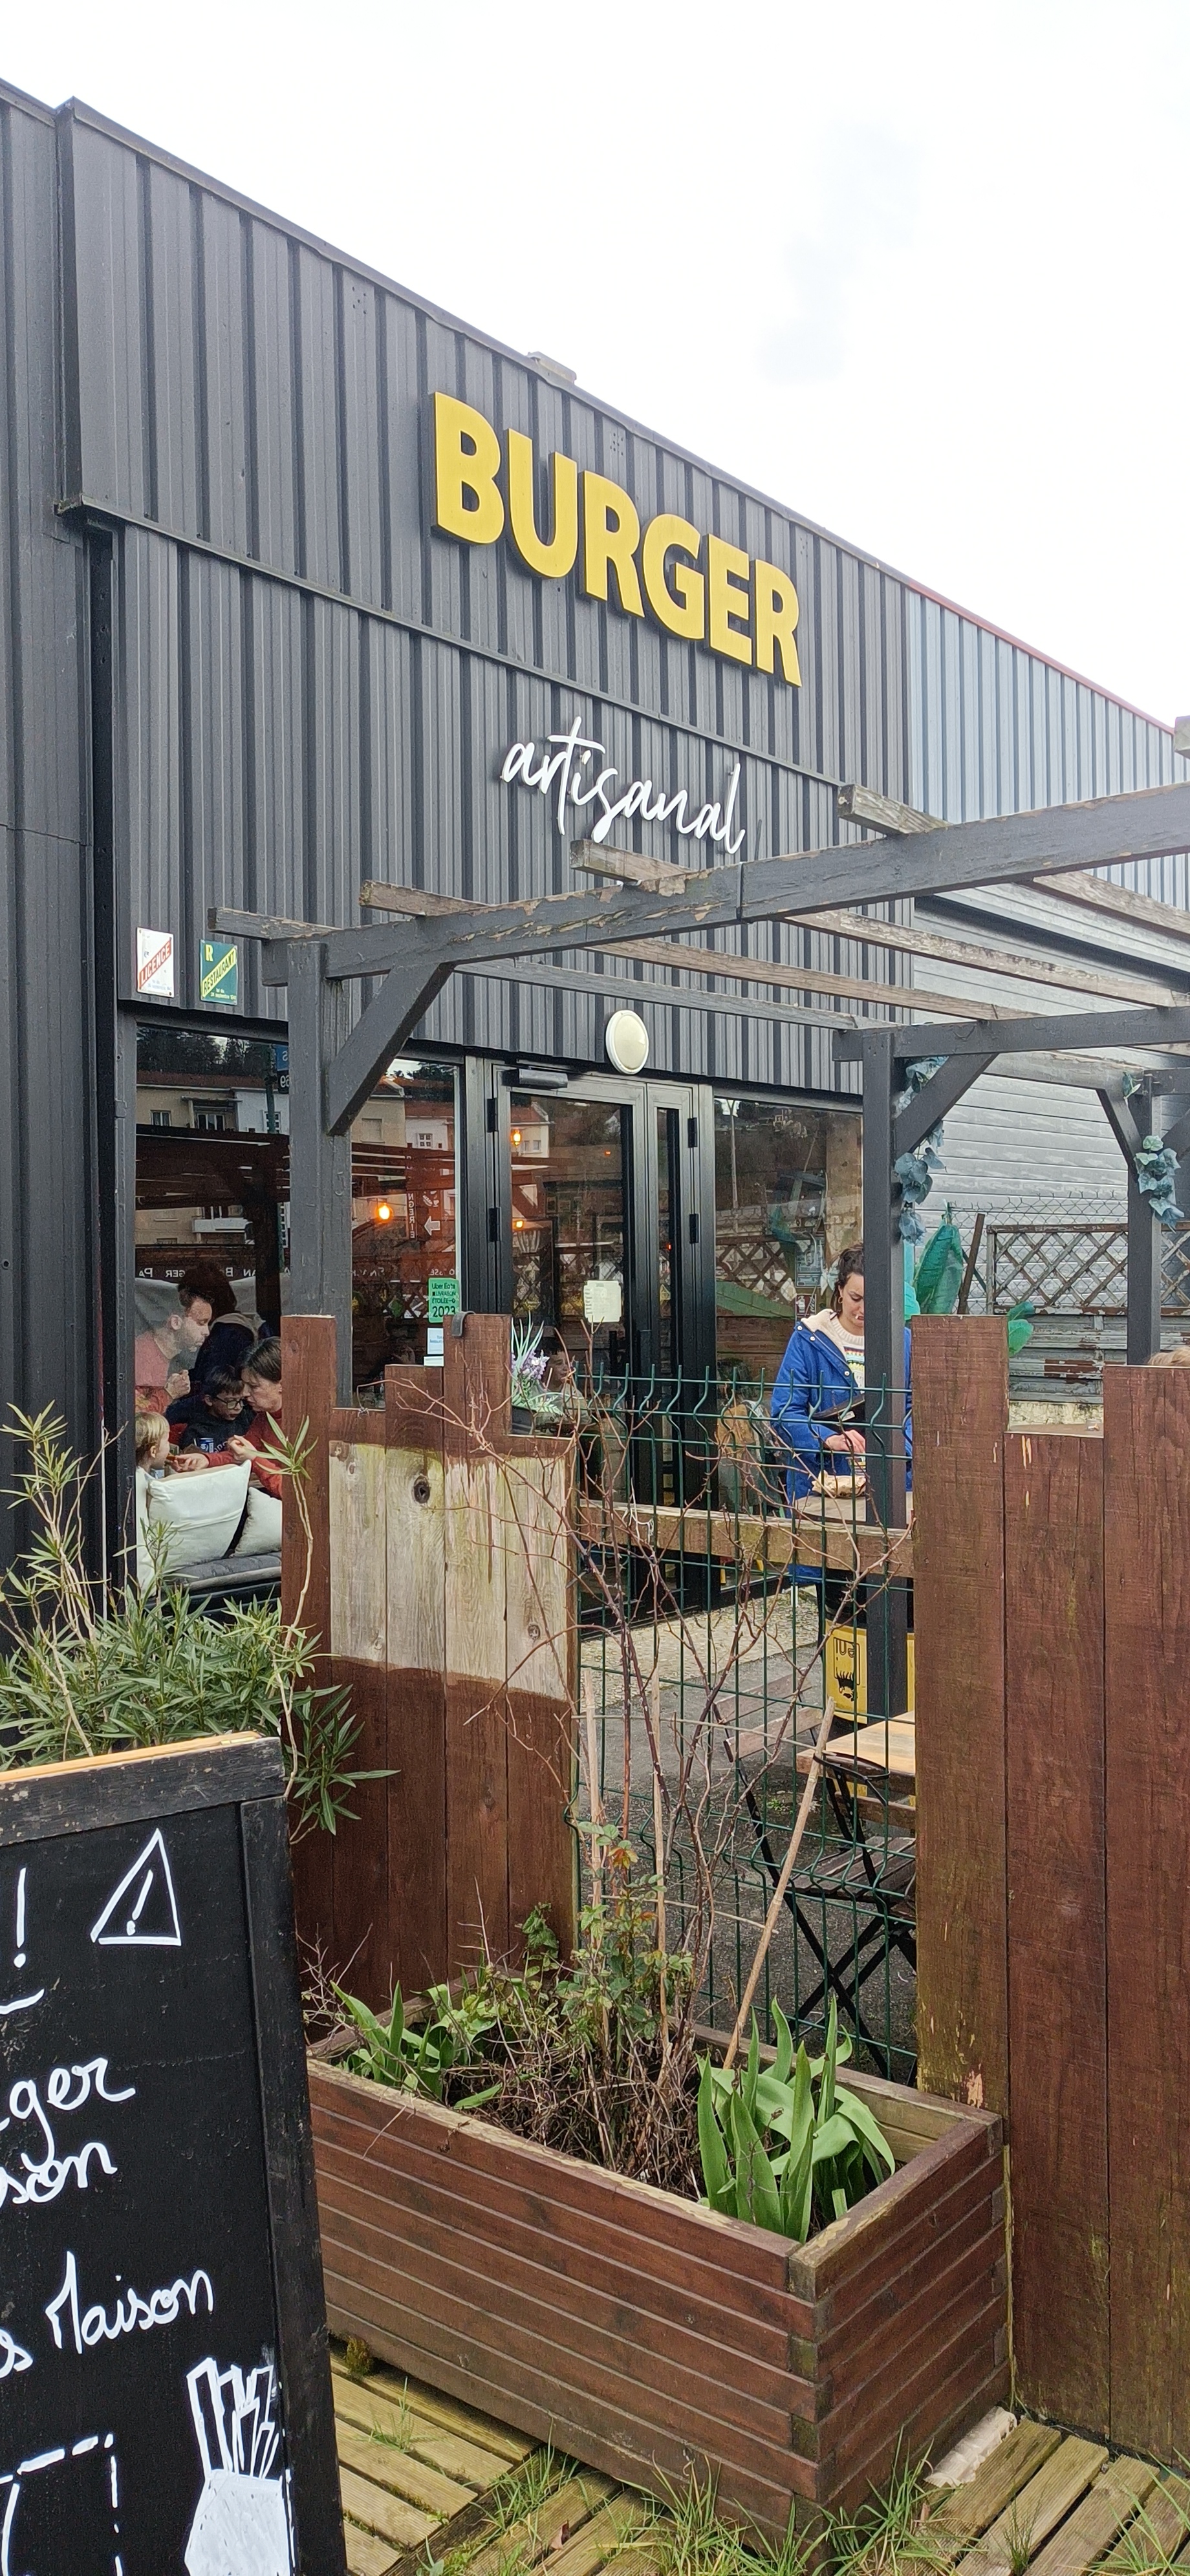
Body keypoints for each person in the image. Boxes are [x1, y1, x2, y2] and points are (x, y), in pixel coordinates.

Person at [770, 1243, 913, 1497]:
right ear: (840, 1291)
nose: (864, 1310)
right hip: (823, 1484)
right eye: (856, 1298)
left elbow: (915, 1408)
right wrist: (827, 1439)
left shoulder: (902, 1341)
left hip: (891, 1486)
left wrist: (902, 1450)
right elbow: (785, 1412)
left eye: (873, 1299)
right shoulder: (809, 1338)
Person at [175, 1338, 285, 1499]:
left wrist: (254, 1458)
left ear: (282, 1384)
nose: (245, 1393)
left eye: (254, 1386)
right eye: (245, 1385)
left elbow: (293, 1491)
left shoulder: (309, 1423)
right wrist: (206, 1460)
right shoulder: (264, 1418)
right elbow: (239, 1455)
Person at [175, 1261, 256, 1401]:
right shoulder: (234, 1329)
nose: (185, 1311)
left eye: (187, 1303)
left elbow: (212, 1384)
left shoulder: (227, 1334)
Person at [133, 1284, 213, 1408]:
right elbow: (137, 1413)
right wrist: (169, 1394)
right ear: (176, 1323)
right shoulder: (141, 1357)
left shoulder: (176, 1357)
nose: (207, 1332)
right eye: (201, 1323)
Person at [169, 1366, 252, 1455]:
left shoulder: (246, 1420)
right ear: (209, 1400)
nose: (238, 1407)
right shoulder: (197, 1431)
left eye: (242, 1400)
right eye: (231, 1402)